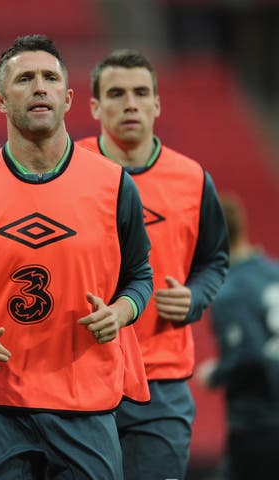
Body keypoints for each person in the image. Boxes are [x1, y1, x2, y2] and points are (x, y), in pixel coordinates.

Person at [0, 34, 153, 479]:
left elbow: (140, 276)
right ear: (0, 100)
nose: (39, 87)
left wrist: (121, 311)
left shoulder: (114, 186)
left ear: (68, 97)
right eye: (25, 78)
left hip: (86, 404)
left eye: (50, 78)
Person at [77, 49, 229, 479]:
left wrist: (194, 297)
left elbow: (214, 259)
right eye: (116, 93)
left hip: (160, 378)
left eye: (141, 92)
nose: (130, 103)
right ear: (93, 106)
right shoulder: (70, 171)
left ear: (157, 104)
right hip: (81, 375)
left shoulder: (193, 180)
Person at [196, 195, 279, 480]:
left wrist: (214, 374)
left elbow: (249, 354)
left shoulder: (229, 291)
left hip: (257, 422)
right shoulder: (274, 272)